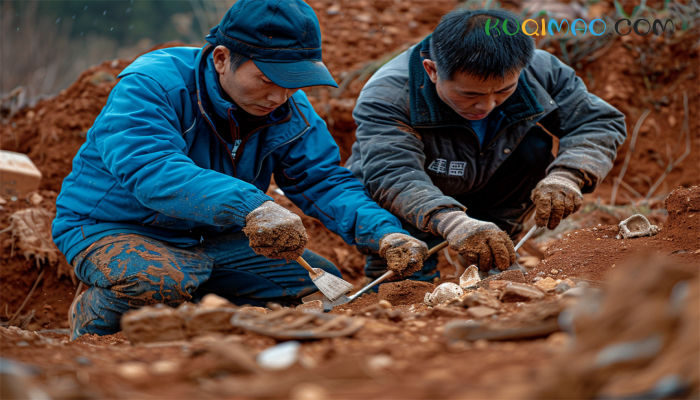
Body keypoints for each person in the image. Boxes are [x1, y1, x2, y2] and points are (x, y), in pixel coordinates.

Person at [53, 0, 427, 340]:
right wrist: (251, 206)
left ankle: (196, 305)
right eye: (267, 80)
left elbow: (324, 181)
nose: (278, 97)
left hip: (212, 239)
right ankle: (90, 322)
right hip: (111, 227)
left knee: (321, 289)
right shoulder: (153, 85)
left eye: (292, 84)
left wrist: (385, 234)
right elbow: (152, 170)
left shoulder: (288, 111)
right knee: (157, 281)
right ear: (221, 58)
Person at [345, 8, 626, 281]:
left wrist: (569, 175)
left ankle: (494, 254)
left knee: (533, 149)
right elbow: (394, 174)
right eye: (469, 94)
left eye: (504, 90)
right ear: (432, 70)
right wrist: (453, 222)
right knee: (407, 278)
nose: (487, 105)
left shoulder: (542, 70)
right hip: (414, 193)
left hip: (493, 181)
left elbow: (596, 122)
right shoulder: (388, 95)